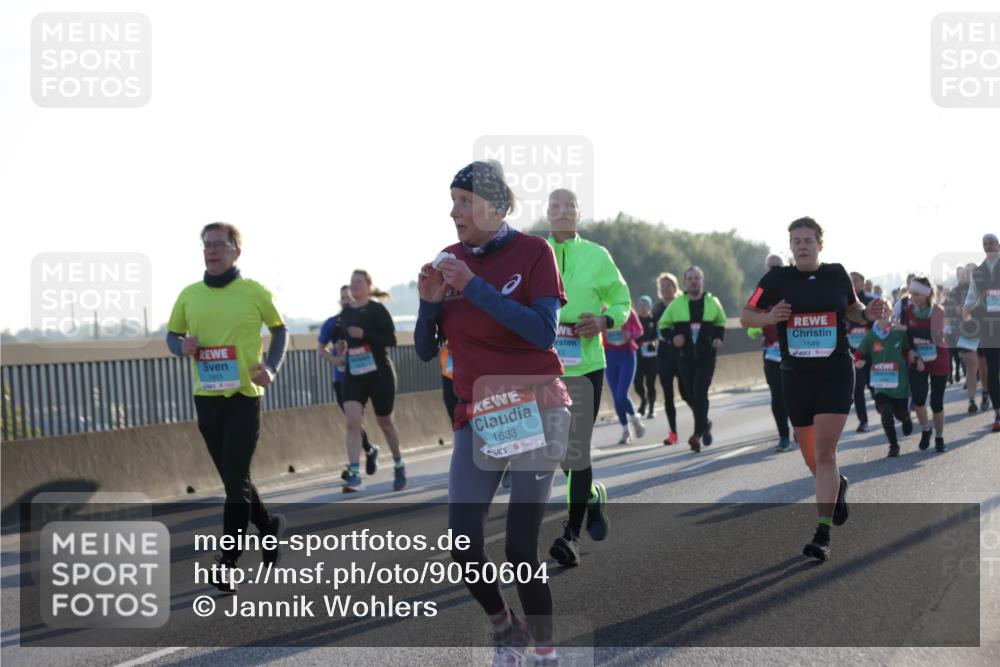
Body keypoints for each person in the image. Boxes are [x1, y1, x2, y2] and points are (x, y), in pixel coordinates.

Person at [414, 160, 570, 666]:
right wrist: (428, 304)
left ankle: (546, 652)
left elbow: (543, 332)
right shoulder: (448, 260)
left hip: (537, 407)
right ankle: (507, 628)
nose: (454, 211)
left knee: (521, 549)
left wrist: (475, 287)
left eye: (464, 201)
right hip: (479, 416)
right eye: (452, 200)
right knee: (463, 546)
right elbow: (423, 350)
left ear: (495, 207)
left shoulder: (534, 252)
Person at [741, 216, 886, 562]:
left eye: (808, 240)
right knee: (811, 459)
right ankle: (838, 485)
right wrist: (769, 316)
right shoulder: (776, 279)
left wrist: (870, 313)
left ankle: (822, 534)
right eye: (796, 241)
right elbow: (747, 314)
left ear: (821, 244)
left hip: (835, 371)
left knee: (825, 452)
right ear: (790, 246)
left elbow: (853, 309)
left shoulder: (836, 274)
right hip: (796, 375)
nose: (802, 246)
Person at [166, 222, 287, 593]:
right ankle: (268, 528)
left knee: (234, 483)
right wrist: (180, 346)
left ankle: (227, 561)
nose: (211, 250)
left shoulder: (254, 292)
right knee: (236, 479)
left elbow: (280, 330)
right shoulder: (189, 295)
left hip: (244, 397)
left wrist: (270, 366)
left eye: (220, 244)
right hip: (206, 398)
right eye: (206, 244)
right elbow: (173, 336)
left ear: (236, 251)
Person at [546, 188, 631, 567]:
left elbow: (621, 300)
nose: (563, 212)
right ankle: (593, 494)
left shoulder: (598, 256)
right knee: (561, 452)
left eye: (570, 207)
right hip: (544, 369)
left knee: (576, 448)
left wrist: (603, 320)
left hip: (586, 366)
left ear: (579, 214)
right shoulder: (536, 254)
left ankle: (571, 535)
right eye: (556, 206)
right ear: (548, 214)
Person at [339, 269, 406, 492]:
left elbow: (391, 339)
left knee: (385, 422)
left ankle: (398, 464)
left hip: (379, 374)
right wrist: (340, 346)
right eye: (352, 282)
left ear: (368, 286)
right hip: (354, 374)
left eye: (359, 282)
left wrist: (364, 335)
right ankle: (355, 475)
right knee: (352, 422)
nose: (355, 285)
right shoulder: (346, 313)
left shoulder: (377, 310)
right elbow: (342, 337)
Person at [660, 266, 727, 452]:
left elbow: (721, 322)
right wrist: (673, 338)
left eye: (696, 278)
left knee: (700, 393)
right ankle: (705, 424)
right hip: (686, 358)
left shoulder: (712, 302)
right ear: (685, 283)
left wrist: (718, 338)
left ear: (702, 281)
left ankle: (696, 435)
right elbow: (662, 326)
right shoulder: (677, 304)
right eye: (689, 279)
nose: (693, 281)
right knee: (688, 394)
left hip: (706, 357)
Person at [317, 285, 379, 480]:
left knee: (353, 423)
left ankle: (354, 468)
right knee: (353, 422)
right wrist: (334, 359)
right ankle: (368, 451)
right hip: (341, 380)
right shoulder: (332, 323)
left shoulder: (363, 322)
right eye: (342, 297)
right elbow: (320, 348)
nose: (345, 300)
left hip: (362, 379)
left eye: (348, 297)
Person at [855, 300, 917, 457]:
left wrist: (913, 357)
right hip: (881, 383)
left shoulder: (899, 332)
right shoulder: (871, 335)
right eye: (878, 310)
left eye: (885, 310)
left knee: (900, 413)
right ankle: (893, 445)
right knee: (886, 411)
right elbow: (859, 354)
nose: (882, 313)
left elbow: (910, 348)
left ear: (891, 313)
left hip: (899, 383)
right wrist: (859, 361)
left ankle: (906, 418)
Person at [747, 254, 792, 451]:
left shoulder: (793, 287)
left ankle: (801, 428)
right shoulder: (761, 291)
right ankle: (783, 435)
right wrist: (764, 320)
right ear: (766, 269)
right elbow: (748, 317)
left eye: (778, 267)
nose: (774, 270)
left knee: (796, 393)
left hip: (796, 351)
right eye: (771, 267)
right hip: (772, 352)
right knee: (777, 395)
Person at [902, 276, 949, 452]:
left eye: (919, 294)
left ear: (928, 294)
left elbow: (935, 336)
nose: (915, 297)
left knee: (936, 402)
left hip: (938, 358)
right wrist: (911, 352)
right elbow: (905, 335)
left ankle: (939, 437)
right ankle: (925, 429)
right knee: (919, 399)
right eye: (913, 293)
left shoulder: (938, 311)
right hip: (917, 359)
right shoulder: (907, 311)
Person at [963, 233, 1000, 431]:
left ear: (998, 244)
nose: (988, 246)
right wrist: (966, 309)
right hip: (989, 327)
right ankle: (998, 413)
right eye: (985, 243)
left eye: (991, 242)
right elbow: (972, 294)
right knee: (993, 371)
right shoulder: (978, 271)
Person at [603, 306, 646, 444]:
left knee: (622, 394)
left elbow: (640, 330)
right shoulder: (600, 312)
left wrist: (630, 335)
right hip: (609, 356)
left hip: (627, 355)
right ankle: (625, 430)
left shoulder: (627, 310)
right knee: (616, 397)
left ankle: (635, 420)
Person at [653, 273, 683, 445]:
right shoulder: (656, 310)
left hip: (681, 356)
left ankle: (701, 423)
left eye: (669, 285)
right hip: (664, 356)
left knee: (686, 393)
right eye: (663, 286)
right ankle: (673, 433)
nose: (666, 289)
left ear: (675, 287)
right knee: (668, 396)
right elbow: (651, 331)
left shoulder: (681, 305)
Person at [848, 271, 876, 433]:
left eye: (856, 280)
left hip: (872, 353)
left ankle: (882, 408)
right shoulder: (844, 302)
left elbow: (879, 328)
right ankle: (863, 421)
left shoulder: (870, 302)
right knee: (858, 388)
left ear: (863, 283)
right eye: (850, 281)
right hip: (853, 353)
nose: (853, 283)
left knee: (874, 386)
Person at [633, 295, 660, 420]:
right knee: (637, 382)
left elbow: (658, 336)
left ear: (649, 306)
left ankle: (652, 408)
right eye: (641, 305)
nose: (643, 307)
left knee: (650, 383)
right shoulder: (635, 319)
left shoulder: (653, 320)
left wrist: (653, 344)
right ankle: (643, 400)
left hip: (651, 356)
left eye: (645, 305)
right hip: (637, 356)